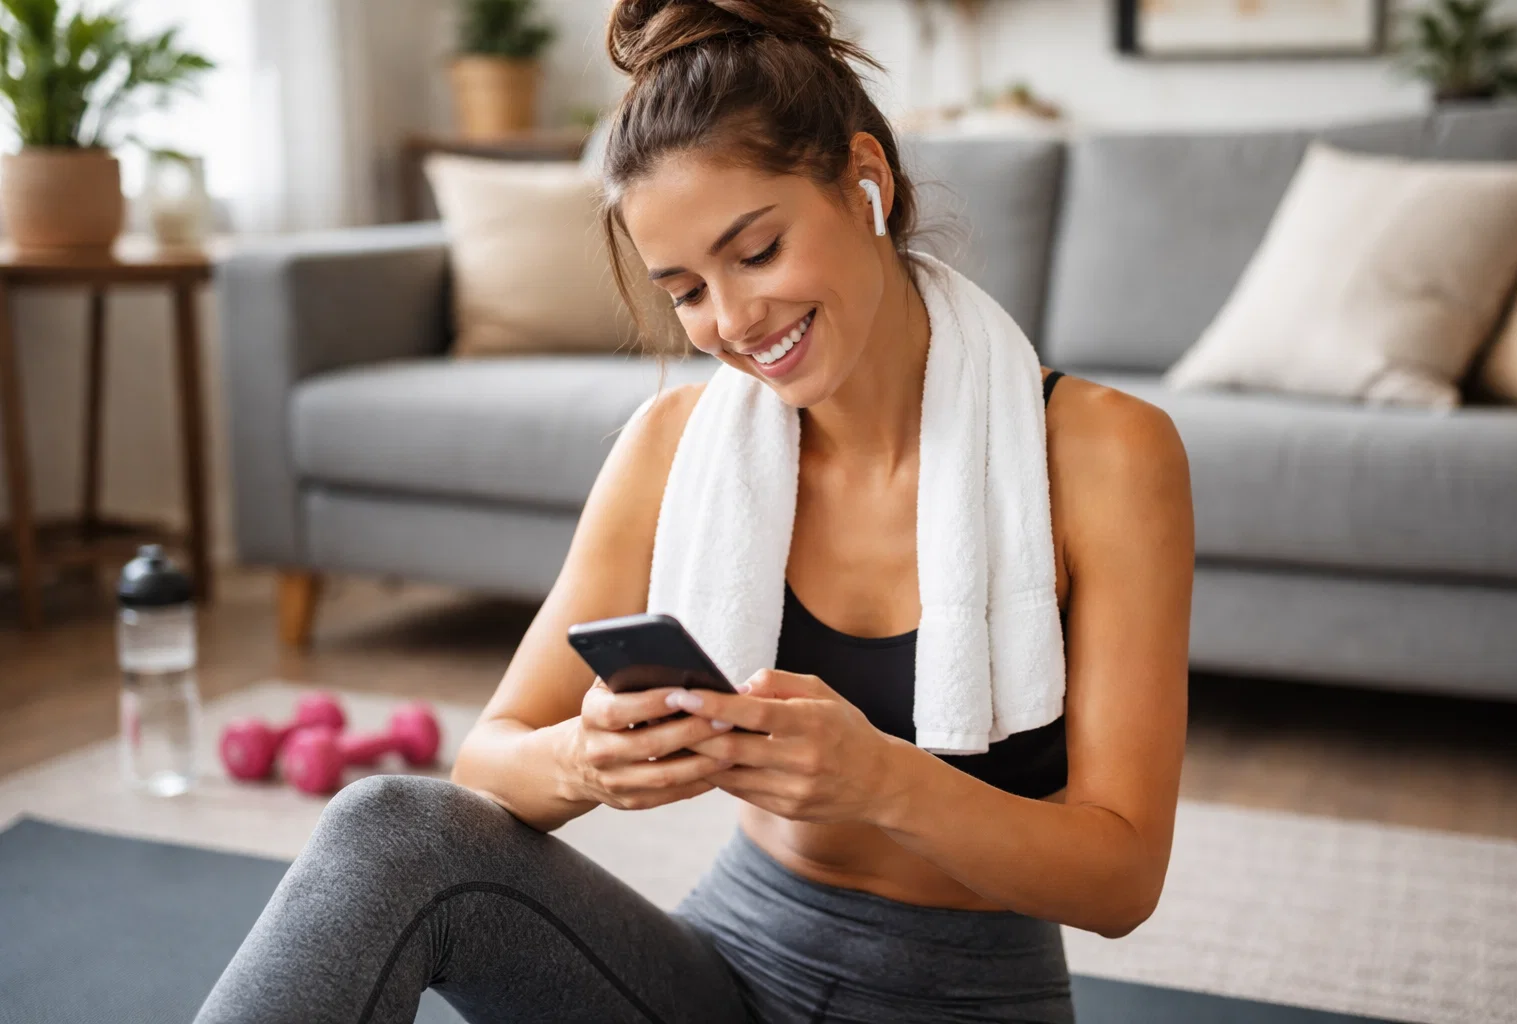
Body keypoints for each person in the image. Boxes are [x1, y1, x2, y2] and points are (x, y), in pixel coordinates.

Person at [195, 2, 1193, 1022]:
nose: (734, 321)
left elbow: (1120, 879)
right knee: (390, 830)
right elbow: (488, 759)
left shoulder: (1105, 454)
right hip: (721, 969)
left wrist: (884, 781)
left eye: (757, 251)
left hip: (965, 993)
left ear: (867, 184)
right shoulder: (674, 446)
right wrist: (586, 757)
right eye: (686, 290)